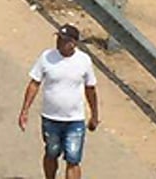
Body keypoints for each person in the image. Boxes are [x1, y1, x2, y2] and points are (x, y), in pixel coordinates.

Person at [18, 25, 100, 179]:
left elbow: (91, 89)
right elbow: (34, 83)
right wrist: (25, 110)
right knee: (51, 153)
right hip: (50, 118)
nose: (59, 42)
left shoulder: (84, 61)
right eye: (58, 39)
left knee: (73, 160)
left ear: (73, 43)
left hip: (74, 120)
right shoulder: (46, 57)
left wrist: (94, 115)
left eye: (63, 40)